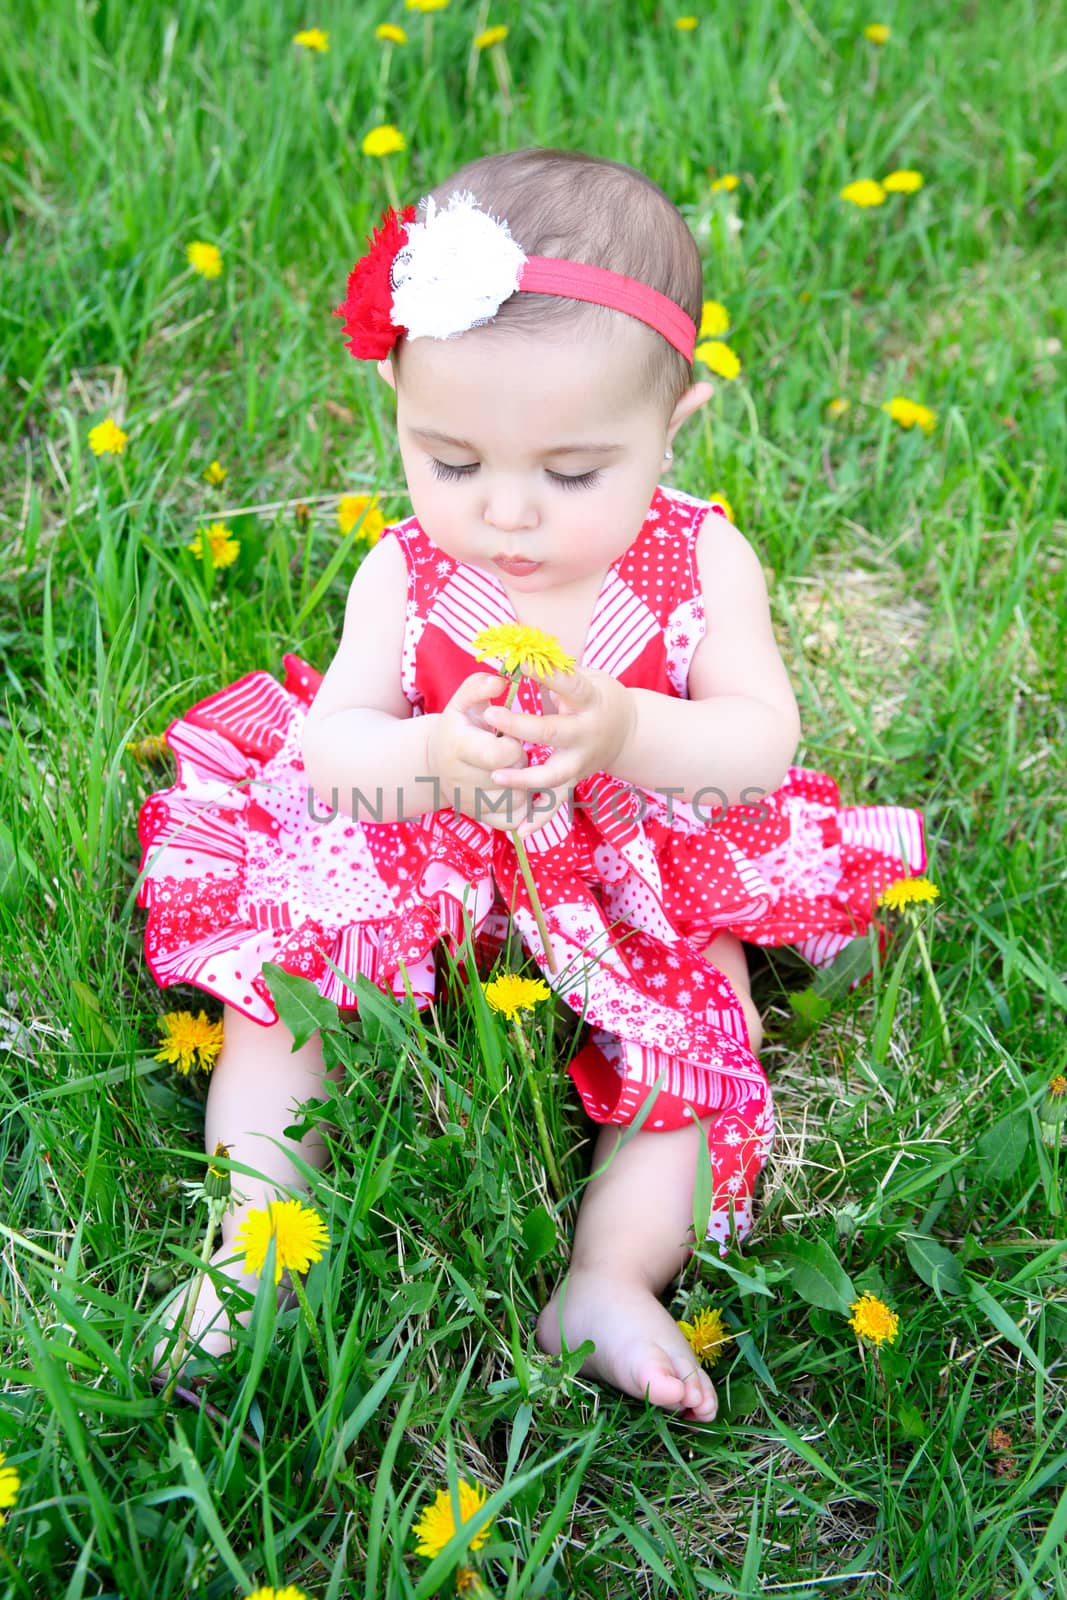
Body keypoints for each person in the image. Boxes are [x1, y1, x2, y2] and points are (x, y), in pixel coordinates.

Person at [138, 148, 925, 1419]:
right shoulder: (403, 574)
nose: (505, 512)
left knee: (698, 1034)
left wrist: (626, 731)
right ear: (394, 396)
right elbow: (336, 753)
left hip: (633, 859)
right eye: (450, 462)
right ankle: (252, 1234)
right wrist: (425, 758)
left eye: (570, 474)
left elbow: (757, 738)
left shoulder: (699, 560)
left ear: (670, 430)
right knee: (281, 989)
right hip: (427, 835)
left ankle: (610, 1276)